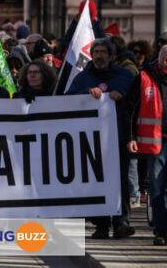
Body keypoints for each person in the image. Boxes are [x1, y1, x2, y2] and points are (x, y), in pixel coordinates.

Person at [67, 38, 135, 239]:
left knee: (120, 180)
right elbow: (68, 99)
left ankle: (121, 222)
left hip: (118, 137)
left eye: (103, 51)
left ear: (112, 55)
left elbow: (135, 101)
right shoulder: (82, 78)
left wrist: (121, 94)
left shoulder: (124, 76)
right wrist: (86, 95)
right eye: (95, 51)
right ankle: (102, 225)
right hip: (91, 140)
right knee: (96, 180)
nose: (99, 55)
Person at [126, 45, 167, 245]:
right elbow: (131, 109)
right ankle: (160, 230)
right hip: (156, 143)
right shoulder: (144, 77)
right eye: (165, 58)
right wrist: (132, 136)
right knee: (157, 188)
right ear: (159, 59)